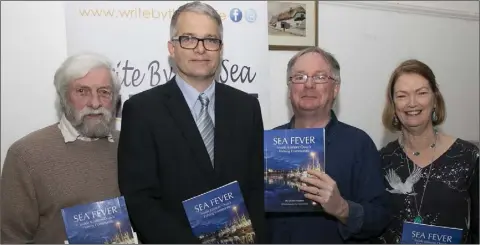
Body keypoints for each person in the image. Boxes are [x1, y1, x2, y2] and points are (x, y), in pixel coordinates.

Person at [117, 2, 265, 244]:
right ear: (172, 48)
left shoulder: (246, 107)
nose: (200, 49)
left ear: (220, 48)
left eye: (210, 40)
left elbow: (256, 189)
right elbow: (139, 200)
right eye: (188, 39)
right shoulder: (142, 110)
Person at [266, 46, 391, 243]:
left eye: (320, 77)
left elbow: (380, 218)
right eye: (300, 77)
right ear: (290, 89)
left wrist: (342, 208)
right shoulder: (267, 144)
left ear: (335, 88)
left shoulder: (359, 144)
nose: (309, 85)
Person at [1, 52, 122, 244]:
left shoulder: (130, 146)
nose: (95, 103)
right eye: (82, 91)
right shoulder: (26, 155)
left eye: (104, 92)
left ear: (115, 98)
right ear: (63, 97)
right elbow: (11, 238)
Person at [376, 59, 479, 243]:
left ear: (435, 99)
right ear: (393, 105)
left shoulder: (469, 157)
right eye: (402, 96)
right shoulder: (382, 160)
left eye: (421, 93)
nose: (412, 103)